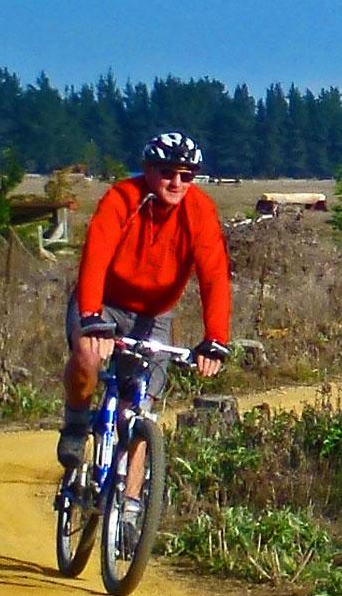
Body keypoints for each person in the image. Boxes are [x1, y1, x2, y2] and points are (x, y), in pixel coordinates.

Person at [59, 132, 232, 469]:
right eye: (167, 172)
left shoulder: (199, 211)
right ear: (148, 170)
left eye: (186, 176)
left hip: (154, 314)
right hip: (104, 302)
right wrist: (93, 316)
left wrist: (215, 339)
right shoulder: (123, 197)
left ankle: (131, 510)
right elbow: (96, 255)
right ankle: (76, 421)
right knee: (87, 356)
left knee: (138, 414)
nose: (177, 182)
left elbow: (214, 276)